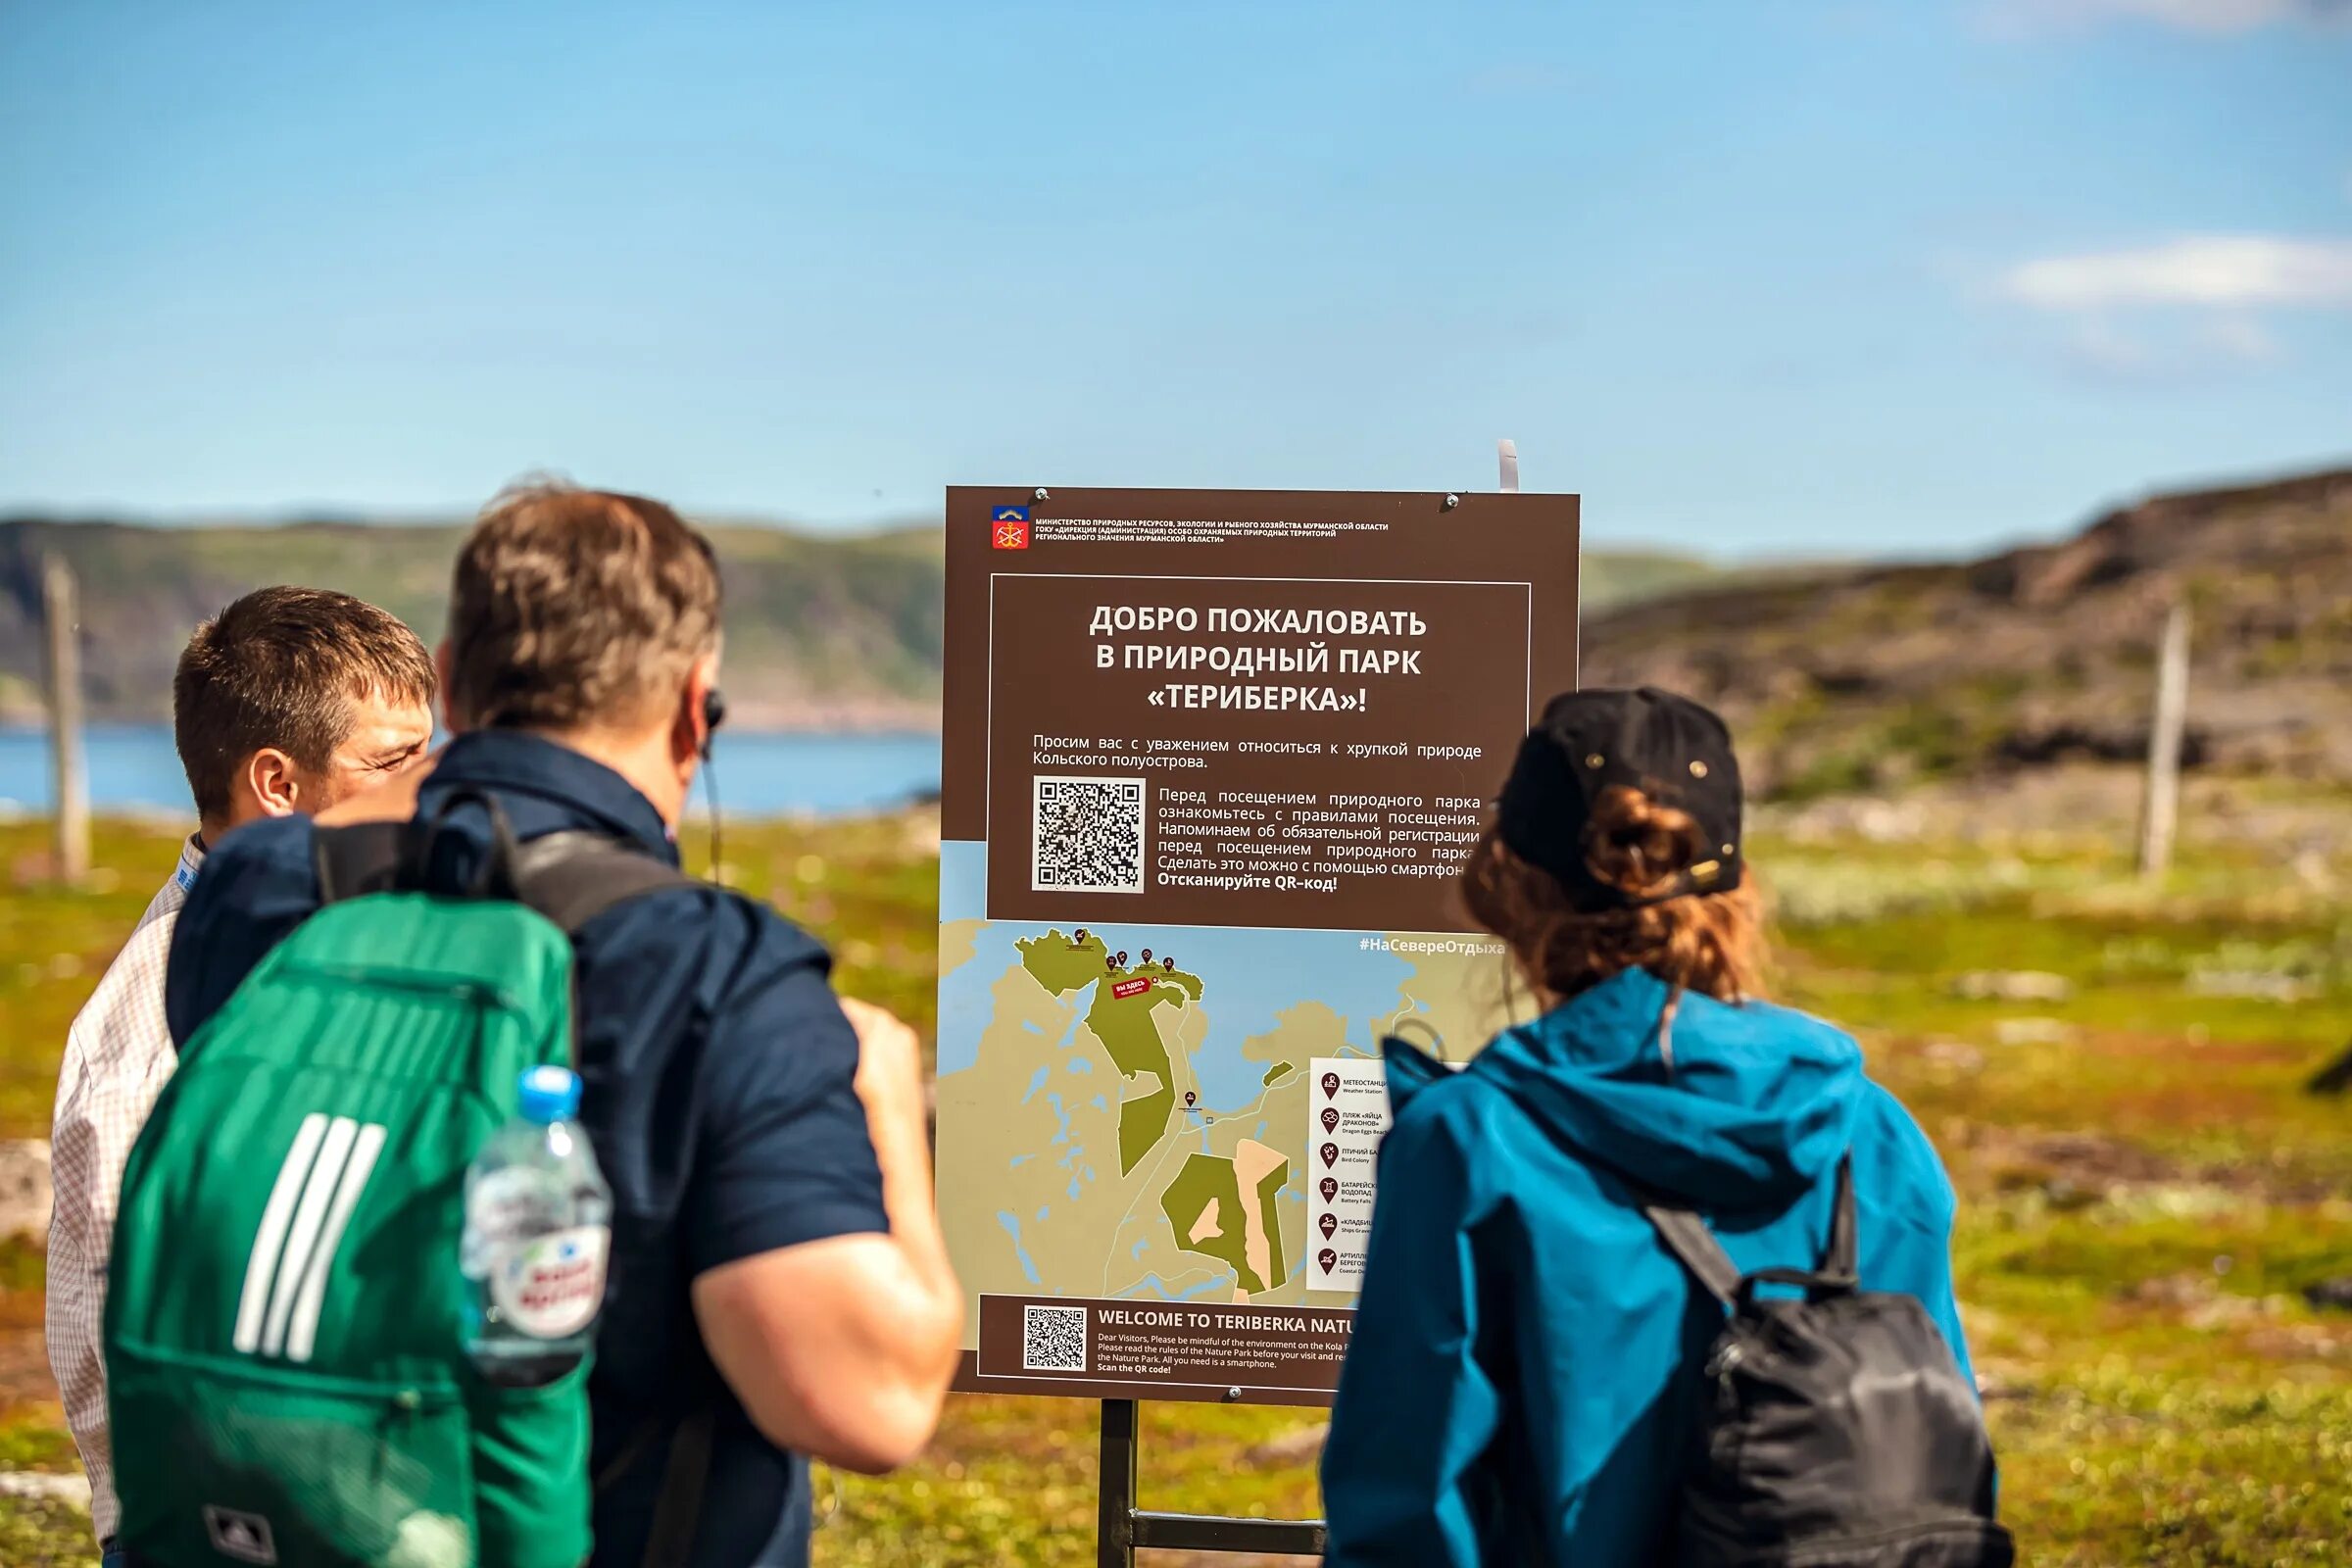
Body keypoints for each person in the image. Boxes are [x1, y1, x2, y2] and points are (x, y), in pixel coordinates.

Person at [165, 483, 962, 1567]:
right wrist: (880, 1102)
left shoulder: (255, 890)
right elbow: (869, 1406)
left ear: (448, 680)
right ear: (697, 708)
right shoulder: (720, 976)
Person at [1321, 688, 1979, 1566]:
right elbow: (1937, 1449)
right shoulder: (1871, 1131)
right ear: (1735, 895)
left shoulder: (1469, 1143)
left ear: (1509, 886)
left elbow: (1412, 1500)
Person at [46, 587, 436, 1566]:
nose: (429, 788)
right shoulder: (146, 1049)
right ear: (275, 781)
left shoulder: (355, 929)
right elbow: (112, 1351)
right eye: (393, 762)